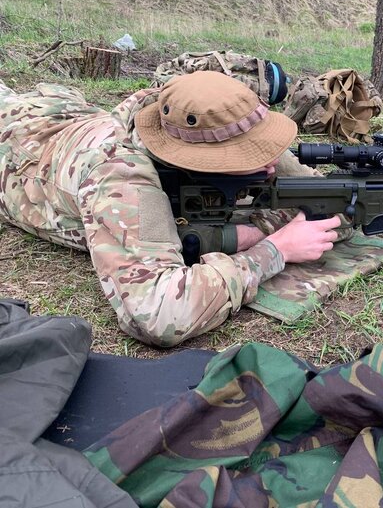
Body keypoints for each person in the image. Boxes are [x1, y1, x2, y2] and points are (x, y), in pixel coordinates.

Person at [0, 71, 345, 347]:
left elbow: (330, 199)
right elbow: (159, 313)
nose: (271, 161)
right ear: (201, 162)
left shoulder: (199, 119)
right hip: (15, 144)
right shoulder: (121, 180)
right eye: (249, 155)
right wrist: (274, 250)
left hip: (61, 112)